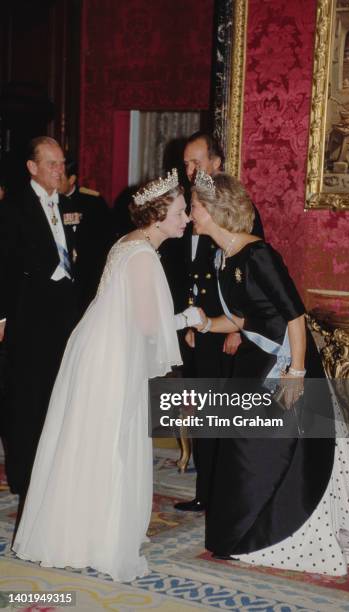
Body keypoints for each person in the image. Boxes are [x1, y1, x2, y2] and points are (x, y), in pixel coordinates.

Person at [190, 170, 349, 575]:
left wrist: (297, 371)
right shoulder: (223, 256)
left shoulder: (259, 255)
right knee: (240, 450)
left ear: (215, 210)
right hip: (254, 363)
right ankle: (237, 535)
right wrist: (205, 323)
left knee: (268, 453)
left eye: (195, 207)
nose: (191, 214)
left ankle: (276, 535)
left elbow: (294, 316)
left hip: (285, 365)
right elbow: (242, 319)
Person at [12, 169, 202, 582]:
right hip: (111, 357)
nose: (186, 218)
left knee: (88, 435)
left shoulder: (130, 244)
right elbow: (150, 324)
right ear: (158, 215)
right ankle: (94, 535)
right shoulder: (142, 255)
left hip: (102, 349)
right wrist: (192, 317)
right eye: (181, 210)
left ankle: (81, 526)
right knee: (109, 438)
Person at [175, 132, 265, 512]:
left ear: (216, 164)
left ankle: (225, 491)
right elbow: (184, 273)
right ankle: (205, 490)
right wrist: (190, 323)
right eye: (186, 164)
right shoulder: (187, 210)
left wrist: (241, 332)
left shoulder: (240, 213)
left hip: (227, 330)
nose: (189, 170)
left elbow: (251, 283)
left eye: (196, 162)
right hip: (199, 330)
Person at [0, 137, 78, 527]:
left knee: (56, 393)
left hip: (63, 313)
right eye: (51, 164)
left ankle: (51, 470)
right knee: (27, 399)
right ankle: (23, 477)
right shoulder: (12, 207)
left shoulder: (72, 204)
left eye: (62, 163)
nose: (59, 171)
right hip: (27, 315)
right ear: (32, 167)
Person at [59, 159, 115, 317]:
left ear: (72, 179)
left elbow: (105, 240)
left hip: (87, 274)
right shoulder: (51, 203)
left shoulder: (92, 202)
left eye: (61, 178)